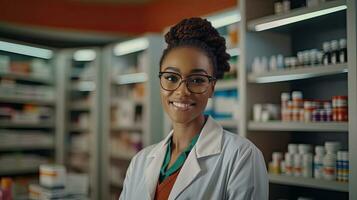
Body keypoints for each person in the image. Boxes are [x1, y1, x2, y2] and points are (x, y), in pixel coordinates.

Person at [119, 17, 268, 200]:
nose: (182, 92)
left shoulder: (242, 157)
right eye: (172, 78)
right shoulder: (140, 161)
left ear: (212, 87)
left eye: (197, 80)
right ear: (160, 82)